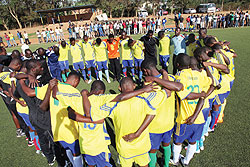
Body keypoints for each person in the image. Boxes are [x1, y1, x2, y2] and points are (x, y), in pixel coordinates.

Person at [70, 77, 169, 167]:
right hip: (142, 145)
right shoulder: (146, 98)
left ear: (119, 88)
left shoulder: (112, 105)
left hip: (124, 147)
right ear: (134, 86)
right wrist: (137, 134)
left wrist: (84, 95)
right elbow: (167, 93)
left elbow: (90, 114)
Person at [141, 58, 183, 167]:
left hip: (154, 126)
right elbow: (176, 87)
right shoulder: (171, 78)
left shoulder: (147, 84)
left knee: (152, 151)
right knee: (166, 145)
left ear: (145, 71)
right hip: (169, 122)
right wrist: (164, 73)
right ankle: (166, 165)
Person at [171, 53, 211, 166]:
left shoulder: (179, 76)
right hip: (199, 117)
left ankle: (175, 161)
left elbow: (186, 95)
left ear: (177, 64)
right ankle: (186, 161)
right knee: (193, 141)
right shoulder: (199, 75)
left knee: (177, 141)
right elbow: (210, 82)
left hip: (184, 118)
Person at [14, 60, 57, 166]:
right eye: (40, 67)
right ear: (33, 69)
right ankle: (58, 158)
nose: (42, 69)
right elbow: (42, 105)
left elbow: (15, 94)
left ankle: (49, 158)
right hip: (43, 116)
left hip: (32, 115)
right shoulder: (35, 84)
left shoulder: (21, 83)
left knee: (42, 138)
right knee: (52, 139)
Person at [38, 73, 83, 167]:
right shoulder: (74, 92)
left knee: (67, 149)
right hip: (71, 131)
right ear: (76, 81)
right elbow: (80, 112)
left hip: (57, 130)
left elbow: (31, 92)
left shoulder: (51, 85)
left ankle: (72, 164)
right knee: (76, 153)